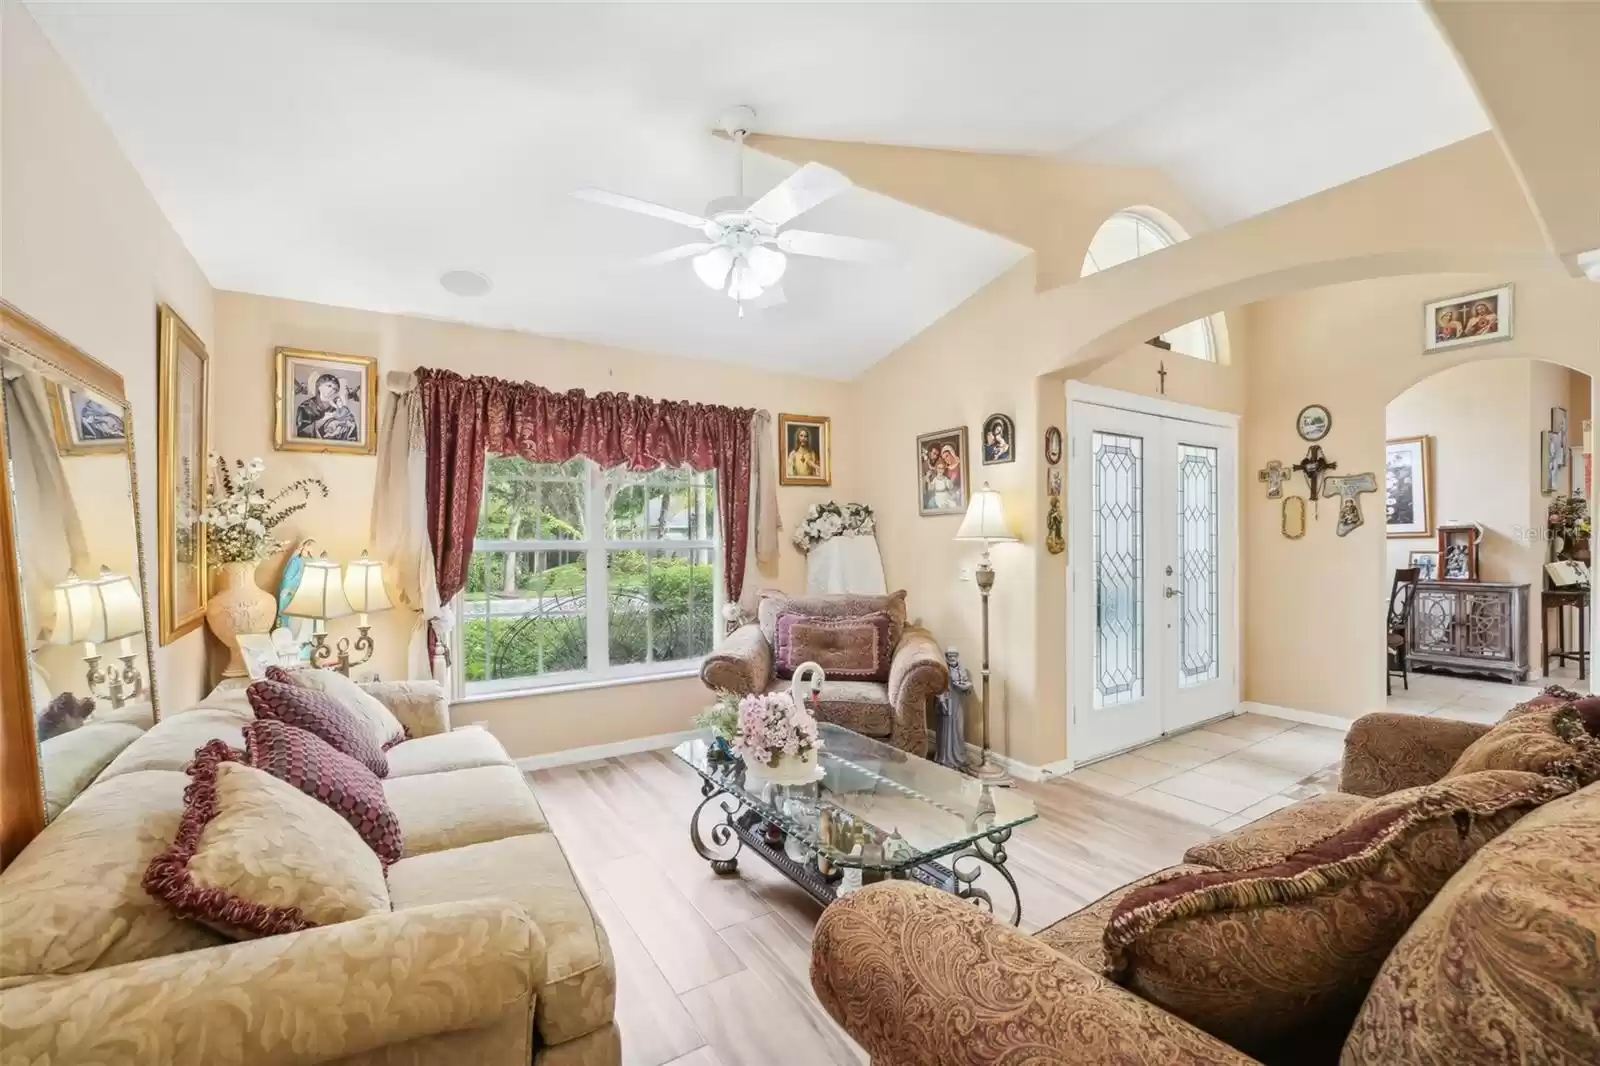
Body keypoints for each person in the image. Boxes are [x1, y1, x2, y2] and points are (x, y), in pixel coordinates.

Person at [295, 372, 358, 442]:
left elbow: (351, 424)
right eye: (329, 386)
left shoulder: (337, 407)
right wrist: (321, 421)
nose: (332, 391)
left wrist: (342, 425)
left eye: (335, 389)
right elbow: (302, 434)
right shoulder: (306, 407)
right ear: (319, 386)